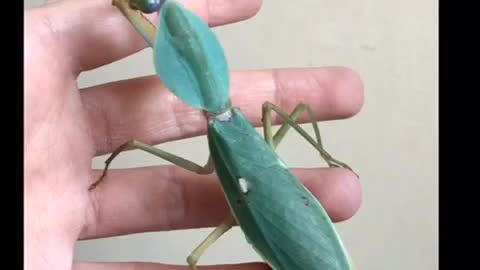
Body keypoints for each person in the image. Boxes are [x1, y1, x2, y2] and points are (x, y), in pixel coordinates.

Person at [25, 0, 364, 269]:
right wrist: (326, 157)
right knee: (296, 109)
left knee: (194, 257)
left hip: (274, 206)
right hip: (275, 208)